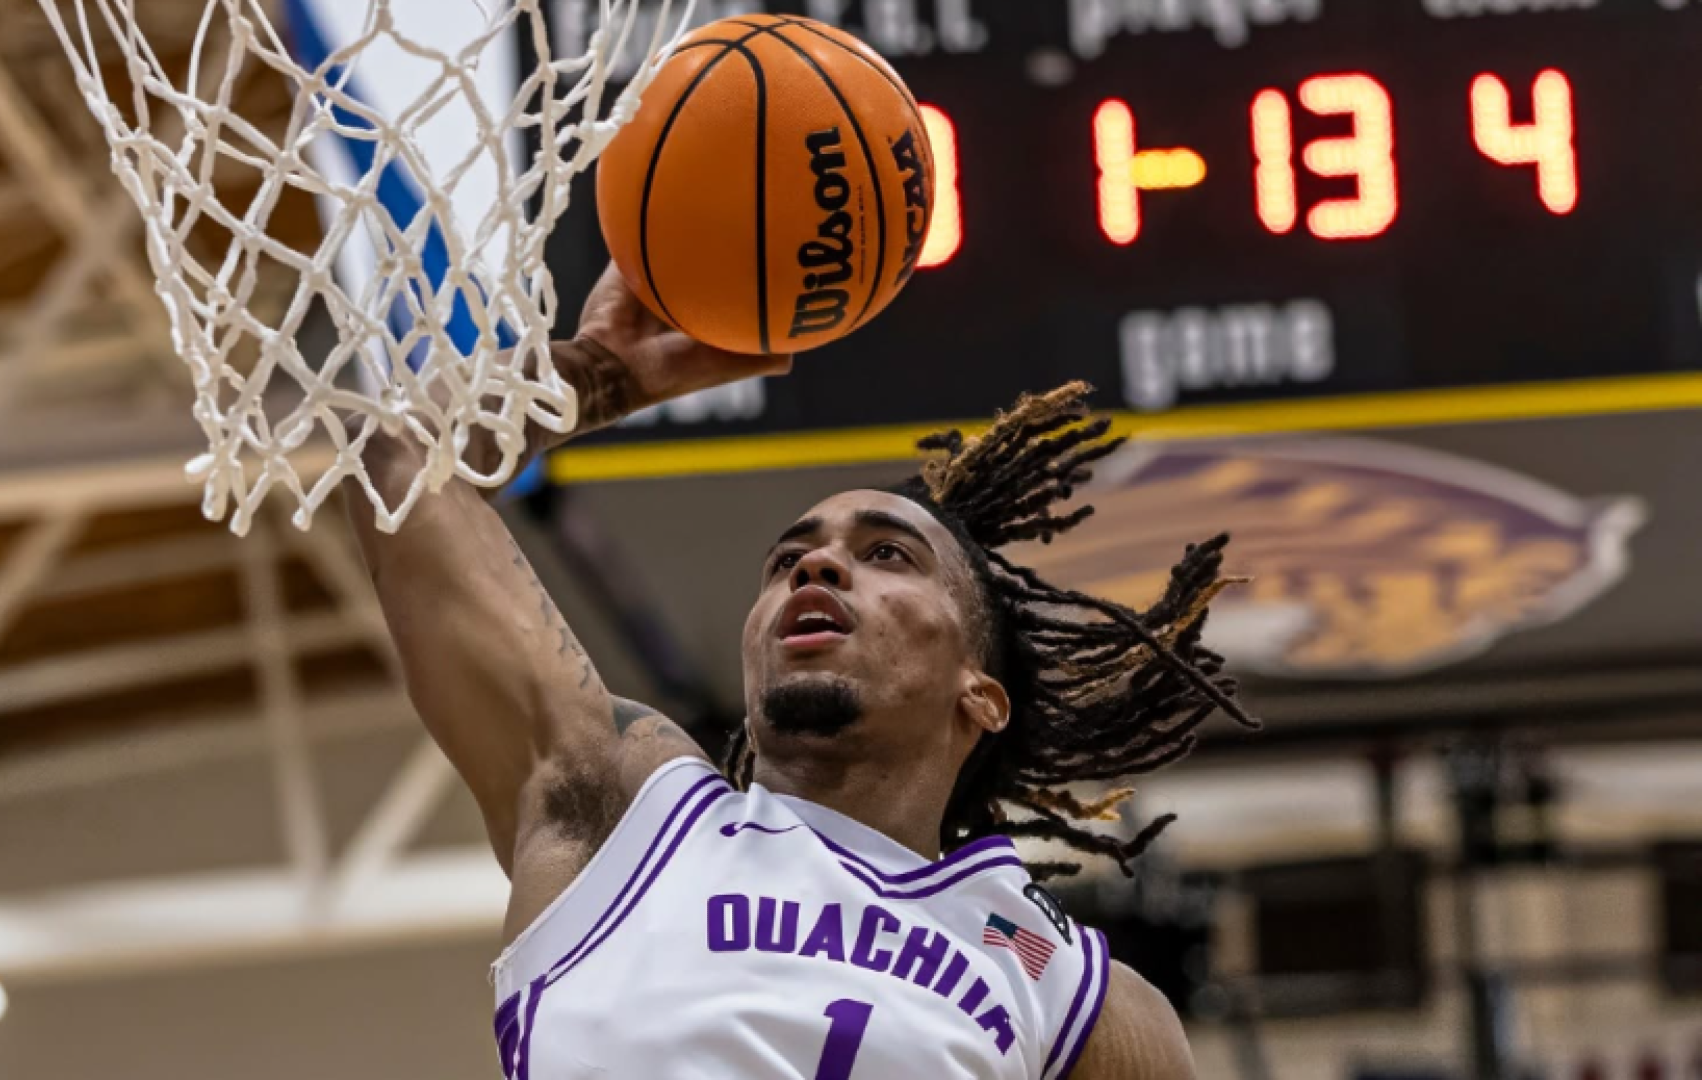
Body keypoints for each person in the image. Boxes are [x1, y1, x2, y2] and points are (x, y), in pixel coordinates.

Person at [346, 266, 1256, 1079]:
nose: (813, 569)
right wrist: (594, 374)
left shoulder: (1072, 999)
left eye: (888, 555)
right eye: (787, 561)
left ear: (979, 693)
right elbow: (395, 464)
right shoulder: (621, 809)